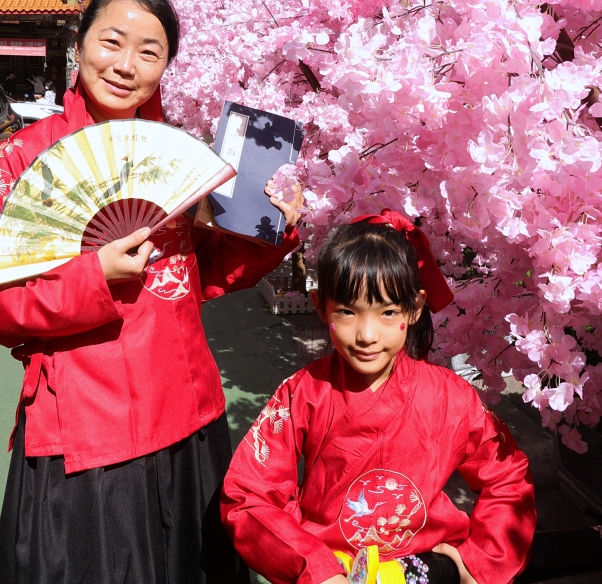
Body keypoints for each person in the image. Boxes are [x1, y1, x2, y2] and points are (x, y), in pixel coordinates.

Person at [0, 0, 303, 584]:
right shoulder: (19, 161)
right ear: (80, 43)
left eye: (149, 51)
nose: (125, 65)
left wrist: (272, 228)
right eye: (111, 41)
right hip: (86, 429)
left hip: (189, 416)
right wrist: (94, 277)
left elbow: (201, 273)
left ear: (165, 67)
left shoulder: (174, 155)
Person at [221, 215, 537, 584]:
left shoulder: (452, 396)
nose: (367, 334)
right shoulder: (302, 392)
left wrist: (482, 562)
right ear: (320, 306)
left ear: (415, 308)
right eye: (347, 311)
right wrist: (313, 567)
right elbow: (247, 496)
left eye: (388, 312)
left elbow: (508, 476)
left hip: (427, 571)